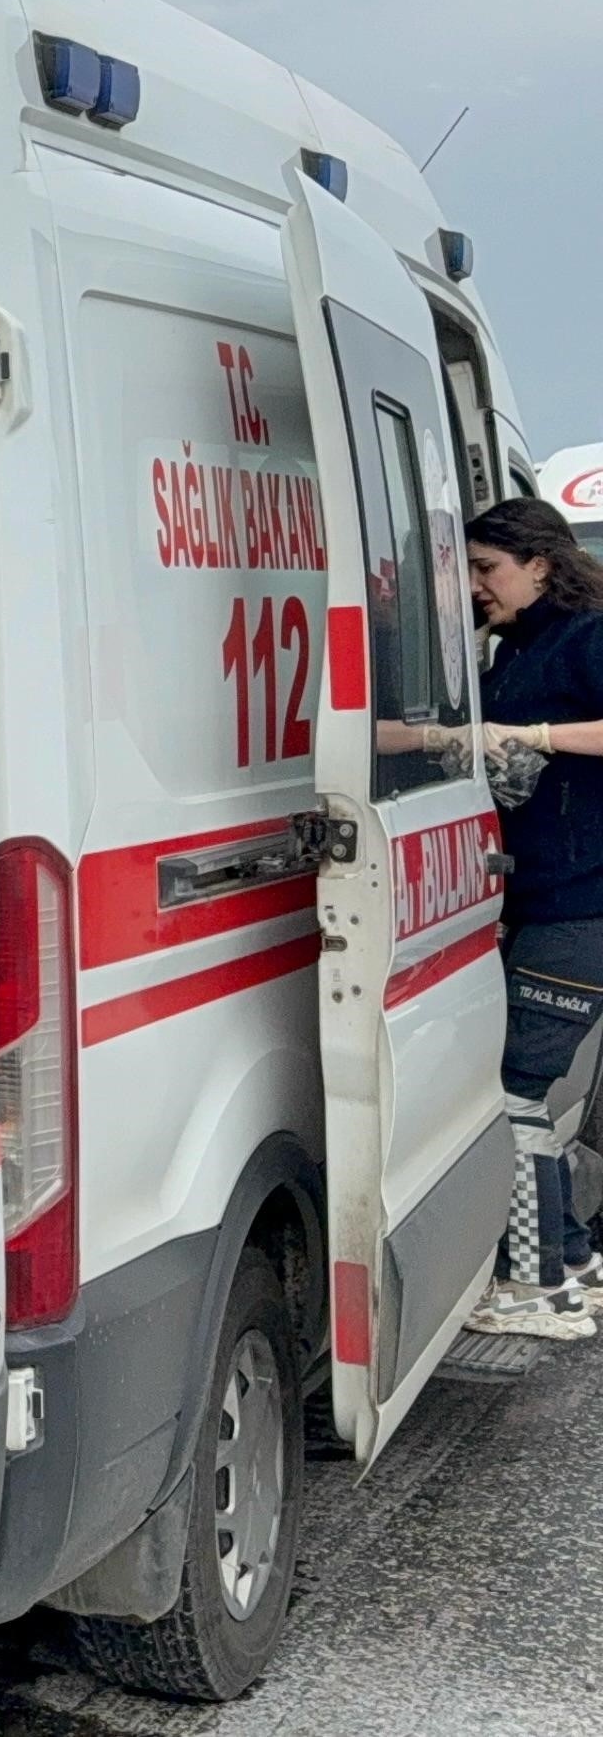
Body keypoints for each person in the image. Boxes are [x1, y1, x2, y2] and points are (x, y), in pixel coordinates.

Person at [450, 498, 603, 1339]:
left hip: (583, 905)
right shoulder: (511, 647)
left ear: (540, 564)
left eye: (487, 569)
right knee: (522, 1090)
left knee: (516, 1090)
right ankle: (573, 1260)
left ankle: (535, 1289)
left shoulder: (587, 637)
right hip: (537, 898)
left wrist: (537, 734)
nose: (476, 587)